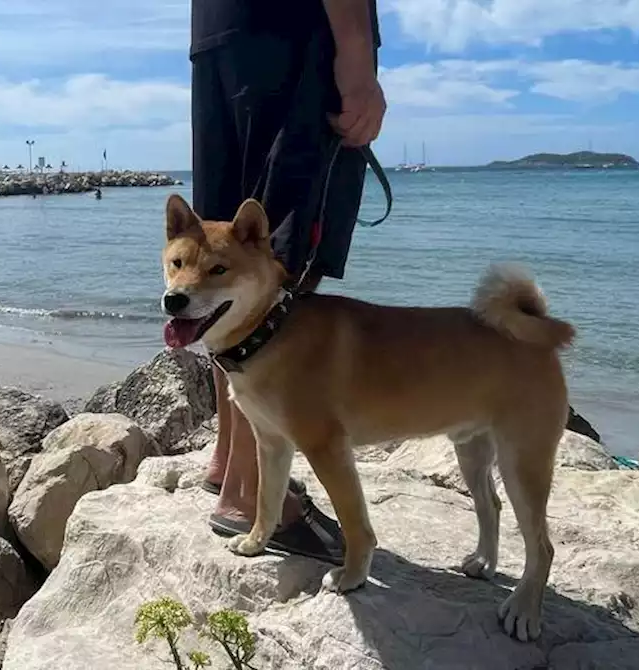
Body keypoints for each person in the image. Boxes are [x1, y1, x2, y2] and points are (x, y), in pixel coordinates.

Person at [190, 0, 386, 562]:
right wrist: (355, 55)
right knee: (279, 264)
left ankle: (231, 463)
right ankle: (249, 496)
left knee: (229, 254)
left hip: (221, 37)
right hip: (299, 39)